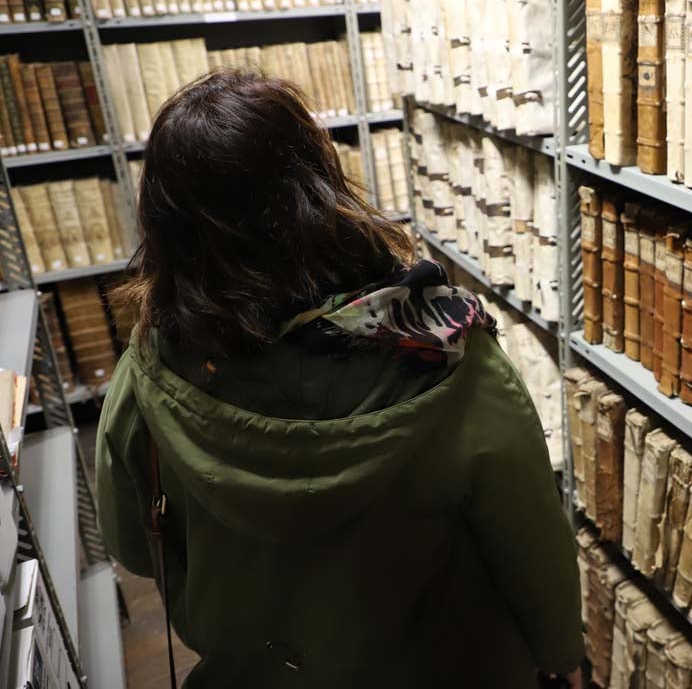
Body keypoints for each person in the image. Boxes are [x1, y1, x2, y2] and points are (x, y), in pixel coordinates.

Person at [95, 68, 583, 687]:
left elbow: (135, 546)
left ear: (166, 225)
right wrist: (559, 655)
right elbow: (532, 553)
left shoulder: (147, 375)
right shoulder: (449, 360)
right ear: (318, 188)